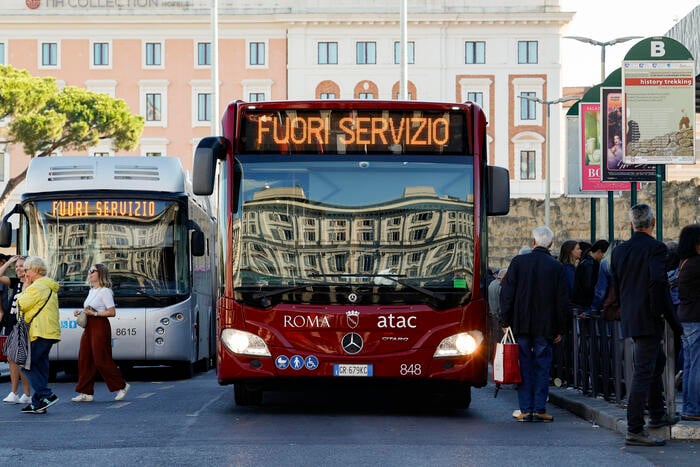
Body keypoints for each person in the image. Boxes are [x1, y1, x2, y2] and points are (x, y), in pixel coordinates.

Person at [611, 204, 679, 446]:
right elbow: (658, 284)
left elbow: (617, 284)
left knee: (654, 362)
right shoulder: (656, 248)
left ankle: (657, 414)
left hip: (631, 315)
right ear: (653, 223)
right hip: (649, 317)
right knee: (643, 371)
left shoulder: (620, 251)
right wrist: (671, 318)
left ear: (632, 224)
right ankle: (636, 427)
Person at [499, 226, 569, 422]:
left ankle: (525, 409)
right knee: (542, 366)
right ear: (551, 244)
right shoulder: (556, 267)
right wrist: (561, 328)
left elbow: (507, 294)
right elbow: (562, 301)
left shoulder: (519, 262)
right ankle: (539, 408)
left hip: (521, 324)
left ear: (533, 242)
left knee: (523, 366)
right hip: (546, 327)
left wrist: (505, 320)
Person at [71, 263, 130, 402]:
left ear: (100, 273)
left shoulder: (105, 291)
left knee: (101, 358)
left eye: (93, 271)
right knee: (85, 357)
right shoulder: (92, 290)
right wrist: (81, 312)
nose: (90, 273)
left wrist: (95, 314)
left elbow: (112, 311)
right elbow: (90, 309)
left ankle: (122, 386)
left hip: (100, 325)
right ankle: (86, 392)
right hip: (89, 326)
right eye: (89, 271)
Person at [17, 256, 61, 414]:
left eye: (27, 270)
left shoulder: (37, 287)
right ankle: (38, 403)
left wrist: (25, 289)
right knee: (40, 366)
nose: (25, 273)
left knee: (25, 365)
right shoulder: (48, 285)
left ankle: (46, 395)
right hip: (47, 331)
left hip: (39, 331)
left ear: (35, 270)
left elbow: (21, 304)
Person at [0, 255, 32, 404]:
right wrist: (9, 263)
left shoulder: (31, 284)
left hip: (22, 325)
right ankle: (18, 393)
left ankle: (24, 393)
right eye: (17, 266)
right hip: (11, 324)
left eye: (21, 266)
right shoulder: (16, 283)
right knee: (12, 359)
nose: (18, 269)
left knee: (19, 359)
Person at [677, 224, 700, 422]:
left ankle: (688, 406)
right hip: (696, 318)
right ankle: (693, 408)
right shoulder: (696, 264)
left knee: (690, 365)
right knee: (696, 365)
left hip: (686, 318)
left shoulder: (684, 263)